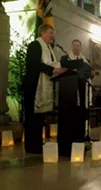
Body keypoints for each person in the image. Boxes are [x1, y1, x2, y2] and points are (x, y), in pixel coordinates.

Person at [23, 24, 67, 154]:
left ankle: (37, 142)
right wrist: (53, 70)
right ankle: (31, 145)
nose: (52, 35)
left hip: (43, 85)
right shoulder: (35, 45)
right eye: (50, 32)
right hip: (34, 87)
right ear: (42, 33)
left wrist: (61, 68)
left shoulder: (49, 48)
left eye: (52, 33)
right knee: (32, 117)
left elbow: (50, 64)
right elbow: (35, 64)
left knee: (40, 118)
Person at [60, 39, 94, 141]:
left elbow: (89, 73)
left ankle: (81, 134)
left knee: (82, 112)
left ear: (80, 48)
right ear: (71, 47)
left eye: (78, 46)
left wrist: (84, 74)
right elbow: (64, 71)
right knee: (71, 111)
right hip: (70, 90)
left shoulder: (85, 61)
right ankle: (70, 134)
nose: (75, 47)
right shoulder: (65, 58)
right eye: (74, 45)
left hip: (83, 88)